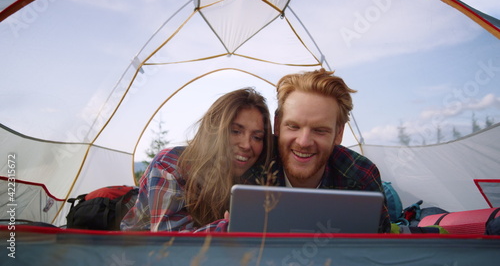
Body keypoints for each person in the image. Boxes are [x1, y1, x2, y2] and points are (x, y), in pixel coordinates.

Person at [121, 88, 273, 232]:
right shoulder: (170, 165)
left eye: (257, 137)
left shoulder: (253, 176)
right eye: (235, 131)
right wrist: (228, 228)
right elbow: (168, 243)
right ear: (213, 130)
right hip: (138, 254)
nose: (247, 145)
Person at [259, 68, 391, 233]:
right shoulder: (253, 161)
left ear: (339, 134)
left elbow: (380, 248)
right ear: (277, 125)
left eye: (320, 130)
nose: (304, 142)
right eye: (293, 126)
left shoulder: (361, 177)